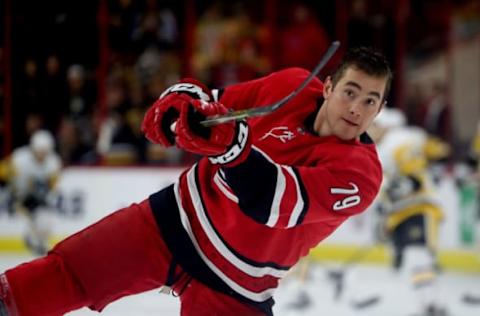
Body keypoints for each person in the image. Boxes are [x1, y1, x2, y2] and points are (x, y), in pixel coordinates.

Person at [0, 46, 391, 316]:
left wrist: (232, 149)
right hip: (174, 218)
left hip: (236, 287)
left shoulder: (361, 175)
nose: (356, 108)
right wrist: (183, 104)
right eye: (350, 92)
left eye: (371, 100)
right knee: (68, 271)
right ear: (327, 88)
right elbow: (216, 108)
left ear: (381, 109)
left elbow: (269, 201)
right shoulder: (290, 84)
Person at [371, 108, 450, 316]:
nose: (371, 129)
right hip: (402, 213)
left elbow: (413, 178)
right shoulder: (384, 147)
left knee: (418, 257)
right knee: (414, 262)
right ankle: (431, 305)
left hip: (417, 209)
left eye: (375, 125)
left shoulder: (397, 142)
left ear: (387, 126)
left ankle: (431, 306)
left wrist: (402, 185)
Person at [0, 130, 62, 256]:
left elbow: (52, 187)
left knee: (46, 221)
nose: (41, 155)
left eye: (44, 152)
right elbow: (3, 174)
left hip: (33, 199)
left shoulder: (53, 163)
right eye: (39, 151)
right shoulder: (19, 159)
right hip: (12, 194)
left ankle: (37, 243)